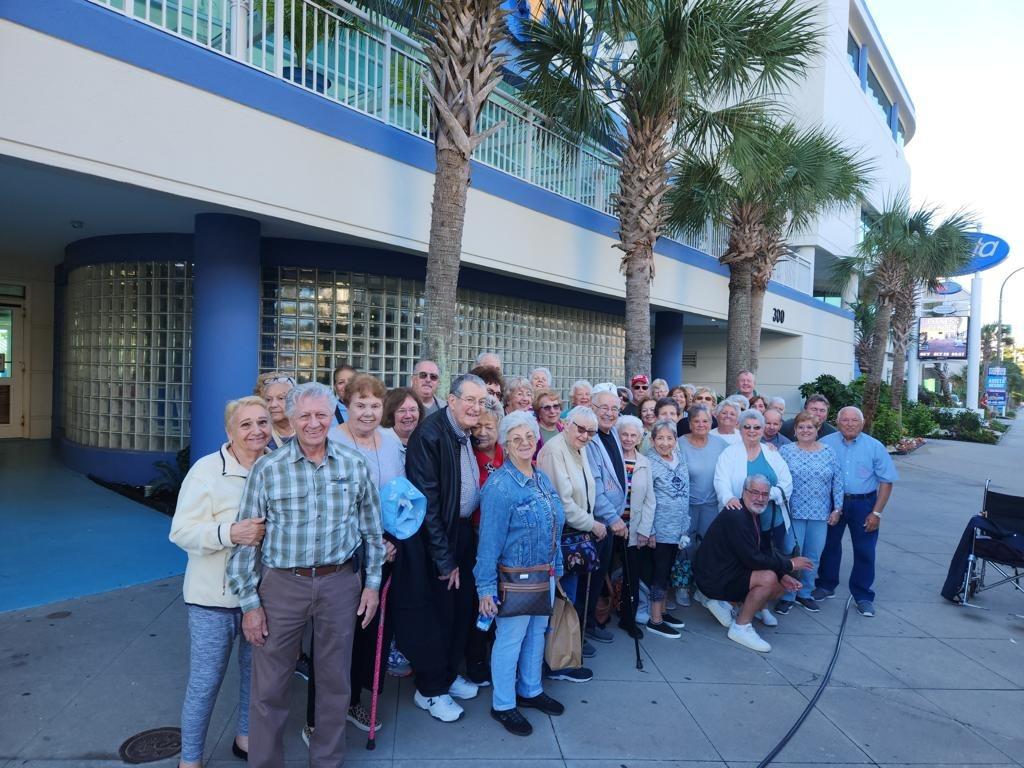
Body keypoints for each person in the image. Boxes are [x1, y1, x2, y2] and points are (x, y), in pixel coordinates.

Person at [227, 382, 384, 768]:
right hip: (282, 585)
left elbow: (372, 532)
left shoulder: (353, 464)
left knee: (334, 682)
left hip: (339, 584)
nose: (314, 423)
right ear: (292, 419)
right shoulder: (268, 468)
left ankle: (326, 761)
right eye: (305, 416)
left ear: (333, 417)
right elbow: (246, 541)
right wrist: (250, 604)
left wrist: (372, 585)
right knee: (270, 687)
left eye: (321, 415)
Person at [170, 396, 270, 767]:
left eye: (262, 422)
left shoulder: (276, 466)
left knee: (254, 678)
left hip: (262, 598)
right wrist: (230, 532)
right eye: (246, 424)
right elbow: (181, 532)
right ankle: (190, 759)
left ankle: (246, 738)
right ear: (230, 431)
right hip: (213, 600)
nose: (256, 430)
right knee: (205, 683)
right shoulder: (206, 471)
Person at [394, 373, 488, 722]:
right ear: (452, 399)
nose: (476, 408)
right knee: (435, 616)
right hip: (437, 541)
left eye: (481, 402)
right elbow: (428, 504)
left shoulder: (462, 433)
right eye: (470, 400)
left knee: (459, 610)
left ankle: (446, 676)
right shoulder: (431, 434)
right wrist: (445, 560)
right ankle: (430, 690)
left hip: (462, 535)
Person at [476, 411, 567, 736]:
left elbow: (555, 525)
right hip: (513, 578)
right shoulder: (500, 488)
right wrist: (485, 588)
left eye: (529, 436)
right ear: (506, 445)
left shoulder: (541, 477)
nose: (525, 443)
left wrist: (556, 569)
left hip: (544, 575)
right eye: (517, 439)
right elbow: (488, 544)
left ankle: (530, 690)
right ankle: (503, 704)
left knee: (535, 635)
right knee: (510, 639)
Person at [326, 373, 403, 733]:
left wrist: (394, 539)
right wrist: (368, 541)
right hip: (344, 551)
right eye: (361, 404)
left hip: (385, 549)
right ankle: (326, 711)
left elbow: (400, 493)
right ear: (346, 405)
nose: (368, 412)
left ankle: (359, 701)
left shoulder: (389, 441)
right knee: (341, 634)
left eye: (375, 405)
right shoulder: (330, 442)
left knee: (372, 633)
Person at [692, 476, 813, 653]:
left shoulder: (752, 513)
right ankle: (740, 627)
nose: (760, 498)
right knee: (768, 579)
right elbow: (753, 559)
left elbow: (761, 553)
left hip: (728, 571)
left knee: (778, 586)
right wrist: (789, 564)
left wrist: (783, 574)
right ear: (743, 492)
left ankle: (730, 605)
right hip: (712, 578)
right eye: (755, 492)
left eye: (764, 494)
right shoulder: (737, 515)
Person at [536, 405, 601, 683]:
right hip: (560, 537)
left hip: (575, 534)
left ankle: (562, 654)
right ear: (566, 424)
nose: (586, 435)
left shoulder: (578, 447)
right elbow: (561, 503)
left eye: (592, 432)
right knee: (560, 601)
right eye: (581, 428)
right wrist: (592, 523)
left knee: (568, 600)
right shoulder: (554, 450)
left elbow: (585, 491)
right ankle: (555, 662)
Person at [814, 406, 898, 617]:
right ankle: (826, 585)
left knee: (865, 550)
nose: (849, 424)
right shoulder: (825, 443)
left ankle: (862, 595)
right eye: (845, 420)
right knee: (829, 545)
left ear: (862, 423)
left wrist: (876, 513)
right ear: (838, 422)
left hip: (864, 504)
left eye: (854, 421)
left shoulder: (875, 447)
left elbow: (886, 482)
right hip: (833, 503)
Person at [713, 408, 793, 627]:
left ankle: (761, 606)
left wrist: (766, 497)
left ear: (763, 429)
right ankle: (743, 604)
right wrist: (729, 497)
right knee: (745, 565)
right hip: (743, 523)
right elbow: (721, 480)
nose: (751, 431)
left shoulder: (772, 453)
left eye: (756, 427)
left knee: (767, 562)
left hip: (770, 520)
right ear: (739, 429)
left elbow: (786, 483)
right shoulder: (730, 453)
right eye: (746, 427)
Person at [777, 411, 843, 615]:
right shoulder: (785, 451)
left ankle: (805, 593)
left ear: (817, 430)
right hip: (793, 511)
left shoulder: (828, 452)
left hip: (819, 513)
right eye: (801, 427)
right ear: (795, 431)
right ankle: (787, 594)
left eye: (810, 427)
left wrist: (837, 508)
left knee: (813, 554)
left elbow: (838, 481)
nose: (806, 431)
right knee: (791, 551)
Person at [583, 389, 630, 647]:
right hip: (598, 522)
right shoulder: (590, 440)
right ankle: (580, 631)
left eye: (615, 409)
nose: (610, 413)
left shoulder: (611, 434)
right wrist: (613, 518)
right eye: (604, 408)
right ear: (592, 407)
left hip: (611, 522)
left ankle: (591, 624)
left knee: (600, 576)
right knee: (589, 581)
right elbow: (595, 486)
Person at [466, 394, 506, 686]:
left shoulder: (507, 454)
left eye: (488, 426)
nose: (482, 432)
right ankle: (475, 660)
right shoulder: (467, 453)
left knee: (501, 600)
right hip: (476, 537)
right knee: (479, 601)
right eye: (477, 426)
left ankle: (496, 655)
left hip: (505, 539)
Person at [640, 419, 690, 639]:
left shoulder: (680, 459)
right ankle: (655, 619)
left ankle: (661, 610)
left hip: (677, 529)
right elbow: (644, 498)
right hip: (659, 529)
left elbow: (686, 492)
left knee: (668, 570)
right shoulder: (648, 462)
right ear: (652, 440)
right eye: (660, 438)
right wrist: (649, 529)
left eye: (669, 438)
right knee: (658, 574)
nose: (665, 442)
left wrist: (684, 527)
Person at [614, 415, 655, 639]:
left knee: (632, 575)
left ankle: (628, 620)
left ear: (640, 437)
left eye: (633, 435)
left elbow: (650, 499)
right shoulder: (611, 459)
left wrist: (644, 530)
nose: (629, 439)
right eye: (625, 434)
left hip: (633, 527)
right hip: (611, 525)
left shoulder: (644, 462)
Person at [680, 404, 729, 550]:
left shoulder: (721, 444)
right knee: (685, 547)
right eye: (696, 421)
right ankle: (684, 573)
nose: (701, 424)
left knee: (708, 546)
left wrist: (769, 447)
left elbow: (739, 456)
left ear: (711, 423)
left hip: (712, 507)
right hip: (686, 507)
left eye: (705, 421)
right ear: (689, 424)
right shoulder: (679, 444)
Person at [261, 374, 296, 450]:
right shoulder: (260, 437)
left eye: (280, 398)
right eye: (268, 400)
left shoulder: (307, 432)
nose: (273, 405)